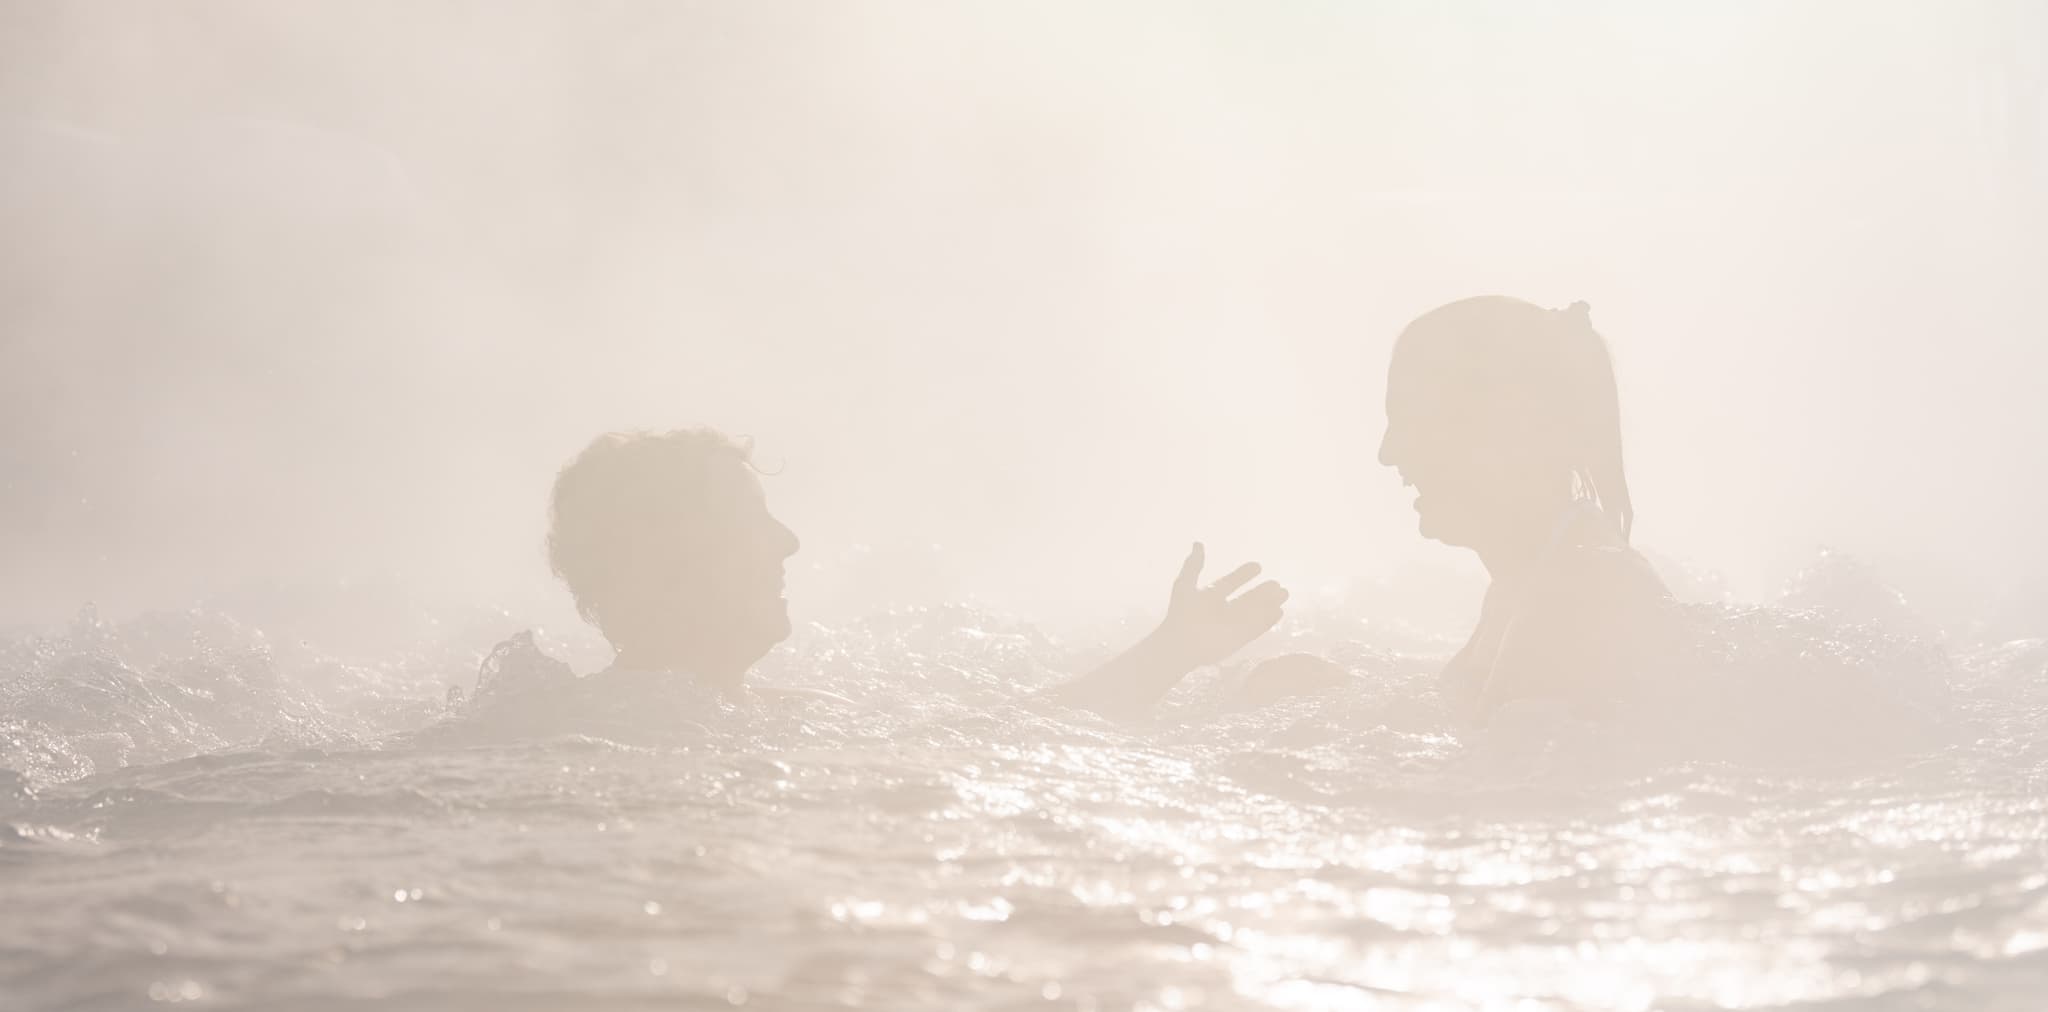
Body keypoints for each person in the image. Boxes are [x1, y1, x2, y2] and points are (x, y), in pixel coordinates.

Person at [531, 428, 1287, 715]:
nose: (788, 543)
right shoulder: (583, 738)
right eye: (750, 521)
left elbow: (1000, 742)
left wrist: (1173, 653)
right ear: (666, 564)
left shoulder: (793, 716)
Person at [1373, 295, 1672, 720]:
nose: (1387, 453)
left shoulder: (1576, 600)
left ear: (1507, 426)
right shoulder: (1536, 578)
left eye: (1410, 420)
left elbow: (1506, 776)